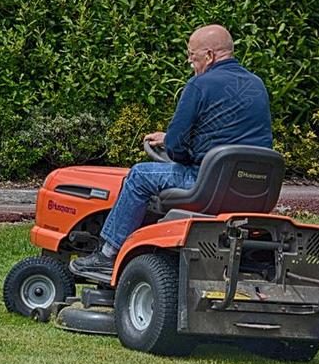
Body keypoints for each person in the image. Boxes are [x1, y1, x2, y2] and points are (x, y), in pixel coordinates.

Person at [69, 24, 273, 279]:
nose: (190, 62)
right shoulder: (256, 85)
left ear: (209, 56)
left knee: (139, 175)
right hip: (254, 188)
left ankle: (108, 254)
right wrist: (170, 139)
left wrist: (174, 147)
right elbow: (230, 135)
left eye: (192, 56)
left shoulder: (199, 85)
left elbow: (177, 147)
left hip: (207, 185)